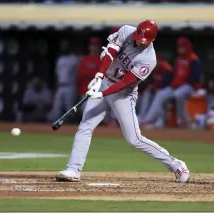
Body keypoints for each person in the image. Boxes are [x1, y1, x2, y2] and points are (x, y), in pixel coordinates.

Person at [57, 20, 190, 183]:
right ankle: (73, 169)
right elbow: (111, 52)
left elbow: (125, 82)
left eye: (142, 42)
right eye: (137, 38)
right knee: (85, 126)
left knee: (134, 139)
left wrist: (102, 94)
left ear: (151, 40)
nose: (137, 43)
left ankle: (176, 164)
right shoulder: (126, 31)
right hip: (106, 81)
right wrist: (99, 77)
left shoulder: (149, 59)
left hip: (123, 94)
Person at [138, 53, 174, 128]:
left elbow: (167, 83)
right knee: (146, 93)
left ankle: (149, 120)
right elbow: (150, 82)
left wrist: (155, 88)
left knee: (159, 95)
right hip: (159, 89)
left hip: (169, 89)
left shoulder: (166, 68)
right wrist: (152, 87)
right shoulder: (151, 67)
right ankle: (142, 117)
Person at [51, 39, 79, 121]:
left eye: (65, 45)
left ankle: (70, 128)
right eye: (62, 45)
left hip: (70, 86)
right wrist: (55, 87)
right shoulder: (59, 59)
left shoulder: (74, 58)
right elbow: (57, 75)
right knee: (56, 109)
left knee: (69, 108)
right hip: (60, 86)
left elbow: (77, 73)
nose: (64, 47)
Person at [76, 37, 102, 111]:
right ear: (89, 47)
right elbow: (79, 76)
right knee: (85, 115)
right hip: (85, 91)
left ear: (99, 47)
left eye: (96, 45)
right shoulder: (84, 59)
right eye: (92, 45)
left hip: (97, 93)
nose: (93, 47)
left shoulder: (102, 59)